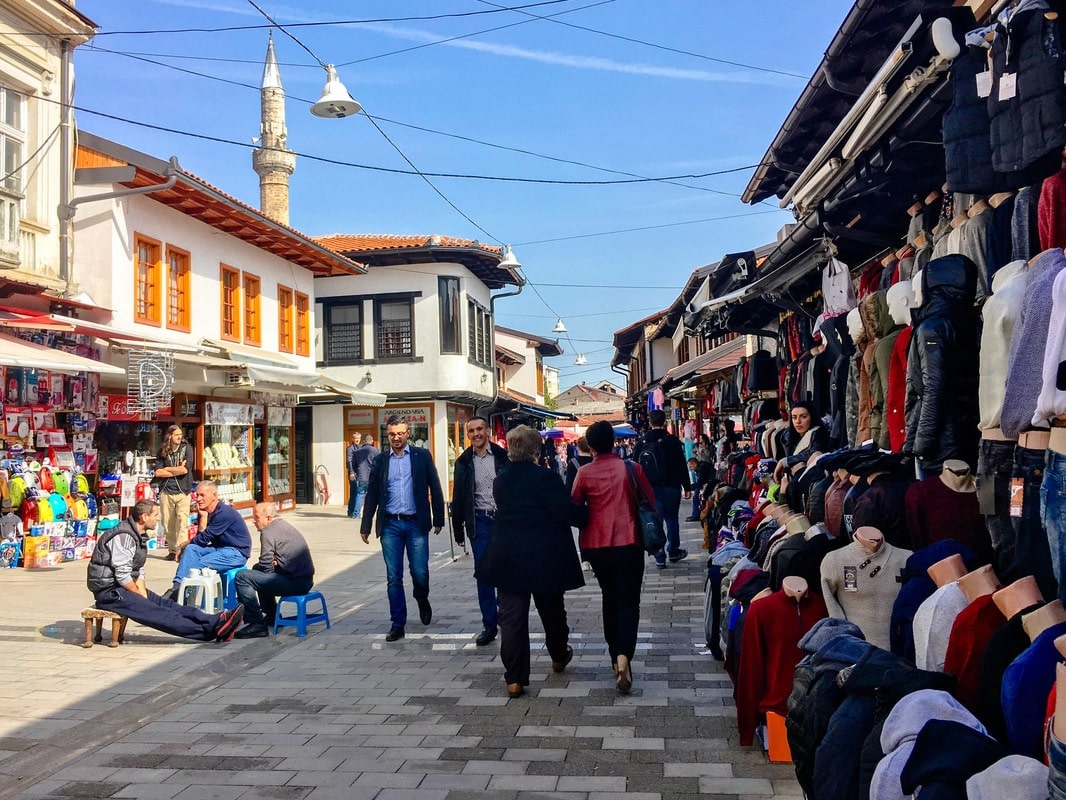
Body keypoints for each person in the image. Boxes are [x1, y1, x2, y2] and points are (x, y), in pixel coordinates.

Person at [475, 425, 585, 698]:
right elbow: (563, 512)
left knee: (511, 618)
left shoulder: (501, 480)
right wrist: (589, 515)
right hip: (543, 556)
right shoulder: (546, 478)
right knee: (551, 611)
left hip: (508, 556)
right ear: (536, 450)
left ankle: (514, 678)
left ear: (511, 450)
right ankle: (559, 655)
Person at [570, 420, 655, 694]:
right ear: (615, 442)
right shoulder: (632, 468)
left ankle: (613, 654)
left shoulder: (583, 473)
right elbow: (649, 502)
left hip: (597, 545)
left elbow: (574, 506)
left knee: (609, 598)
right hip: (629, 541)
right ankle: (624, 656)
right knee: (630, 601)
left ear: (591, 446)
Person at [88, 499, 244, 642]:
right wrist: (140, 596)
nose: (158, 519)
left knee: (167, 605)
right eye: (155, 515)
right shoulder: (124, 536)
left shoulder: (137, 535)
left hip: (124, 587)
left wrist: (142, 591)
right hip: (110, 592)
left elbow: (138, 567)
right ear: (143, 517)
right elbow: (122, 575)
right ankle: (212, 631)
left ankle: (216, 620)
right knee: (160, 614)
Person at [360, 416, 446, 642]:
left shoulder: (421, 456)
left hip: (416, 523)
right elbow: (372, 493)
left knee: (420, 572)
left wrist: (438, 517)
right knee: (393, 576)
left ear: (408, 433)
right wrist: (366, 524)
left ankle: (421, 597)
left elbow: (434, 486)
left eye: (400, 433)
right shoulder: (380, 461)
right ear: (387, 435)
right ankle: (398, 623)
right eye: (392, 434)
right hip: (390, 524)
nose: (396, 438)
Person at [450, 415, 508, 646]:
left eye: (480, 429)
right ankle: (489, 624)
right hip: (480, 522)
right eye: (472, 430)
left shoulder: (504, 457)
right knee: (484, 574)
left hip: (503, 521)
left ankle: (507, 615)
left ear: (488, 431)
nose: (476, 434)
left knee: (505, 572)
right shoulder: (463, 462)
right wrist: (457, 531)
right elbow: (458, 498)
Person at [232, 502, 316, 639]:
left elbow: (266, 563)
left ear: (269, 518)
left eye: (257, 517)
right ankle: (272, 615)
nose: (254, 521)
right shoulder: (282, 525)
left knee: (242, 576)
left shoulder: (268, 531)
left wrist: (270, 568)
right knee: (256, 570)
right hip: (303, 579)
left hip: (296, 582)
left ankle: (256, 623)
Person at [163, 480, 252, 601]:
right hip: (220, 548)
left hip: (236, 552)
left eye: (202, 495)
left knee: (198, 564)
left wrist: (183, 544)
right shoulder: (204, 511)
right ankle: (176, 588)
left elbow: (203, 538)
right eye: (197, 495)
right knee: (192, 549)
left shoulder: (224, 513)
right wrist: (203, 519)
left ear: (214, 496)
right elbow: (200, 541)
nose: (198, 499)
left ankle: (189, 601)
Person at [631, 409, 691, 566]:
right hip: (671, 486)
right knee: (672, 519)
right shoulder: (672, 441)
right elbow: (681, 465)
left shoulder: (641, 442)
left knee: (654, 520)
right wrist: (687, 486)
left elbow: (634, 465)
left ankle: (659, 555)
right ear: (664, 422)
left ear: (650, 422)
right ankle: (673, 550)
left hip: (649, 488)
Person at [154, 424, 192, 561]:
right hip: (166, 490)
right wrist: (175, 469)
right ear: (170, 436)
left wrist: (167, 470)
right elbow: (158, 472)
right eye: (176, 435)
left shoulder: (186, 449)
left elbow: (185, 470)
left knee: (182, 521)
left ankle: (181, 551)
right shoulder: (163, 450)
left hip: (183, 491)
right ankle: (171, 550)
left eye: (180, 435)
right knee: (168, 522)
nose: (179, 437)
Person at [348, 434, 379, 520]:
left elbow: (353, 464)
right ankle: (369, 515)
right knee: (371, 496)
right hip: (372, 477)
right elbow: (379, 464)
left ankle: (356, 514)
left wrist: (357, 472)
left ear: (364, 441)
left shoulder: (358, 451)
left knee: (360, 495)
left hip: (361, 476)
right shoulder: (376, 451)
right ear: (372, 441)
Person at [686, 457, 715, 522]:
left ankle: (696, 515)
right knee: (696, 493)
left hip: (711, 484)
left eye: (691, 466)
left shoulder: (702, 468)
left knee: (696, 495)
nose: (690, 469)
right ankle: (696, 514)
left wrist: (690, 487)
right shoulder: (701, 466)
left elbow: (701, 482)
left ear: (694, 464)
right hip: (709, 483)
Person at [345, 432, 360, 518]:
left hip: (358, 472)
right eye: (356, 438)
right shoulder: (350, 448)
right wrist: (351, 472)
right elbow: (349, 461)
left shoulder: (359, 448)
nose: (357, 440)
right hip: (353, 473)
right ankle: (351, 511)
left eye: (358, 438)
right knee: (354, 492)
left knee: (357, 492)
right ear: (353, 439)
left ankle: (353, 510)